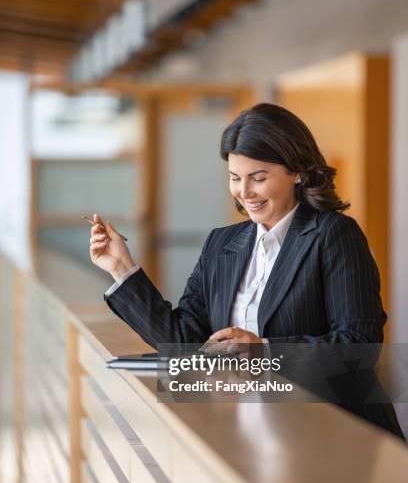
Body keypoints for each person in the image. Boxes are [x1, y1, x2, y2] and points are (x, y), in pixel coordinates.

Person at [89, 103, 404, 439]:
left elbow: (359, 345)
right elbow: (186, 344)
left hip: (331, 434)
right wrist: (122, 268)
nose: (244, 192)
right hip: (249, 430)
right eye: (235, 178)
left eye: (259, 177)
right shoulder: (222, 244)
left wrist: (263, 351)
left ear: (297, 172)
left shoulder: (333, 234)